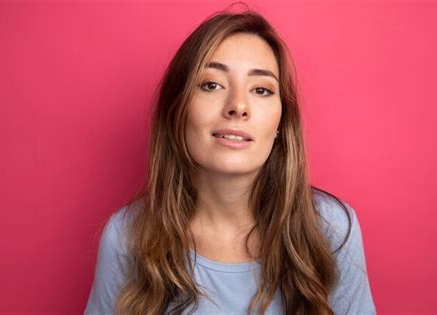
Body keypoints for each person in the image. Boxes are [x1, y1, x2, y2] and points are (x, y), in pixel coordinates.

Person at [84, 8, 376, 315]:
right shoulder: (128, 237)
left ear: (280, 124)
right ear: (177, 110)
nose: (238, 105)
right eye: (212, 85)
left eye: (261, 89)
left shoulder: (331, 229)